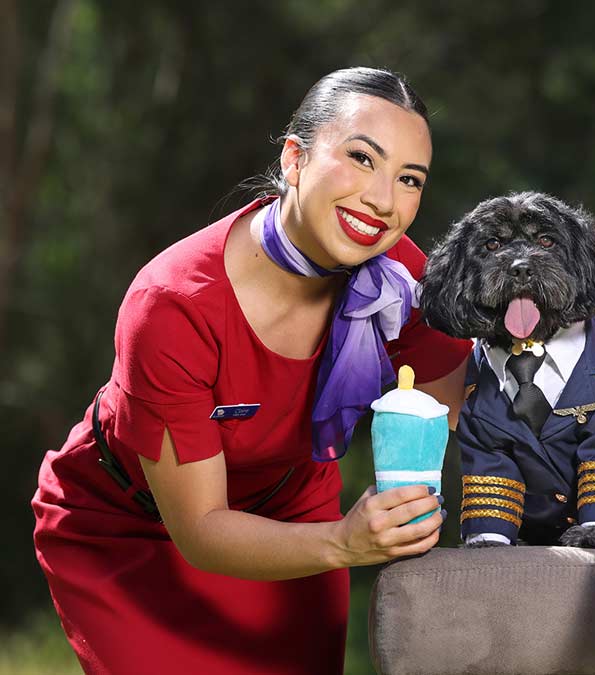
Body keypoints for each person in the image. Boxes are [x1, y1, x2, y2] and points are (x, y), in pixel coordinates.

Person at [31, 67, 473, 675]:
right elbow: (202, 528)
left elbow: (459, 414)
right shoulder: (173, 303)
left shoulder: (403, 279)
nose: (383, 200)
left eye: (409, 179)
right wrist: (346, 542)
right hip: (135, 528)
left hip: (293, 507)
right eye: (361, 159)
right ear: (294, 157)